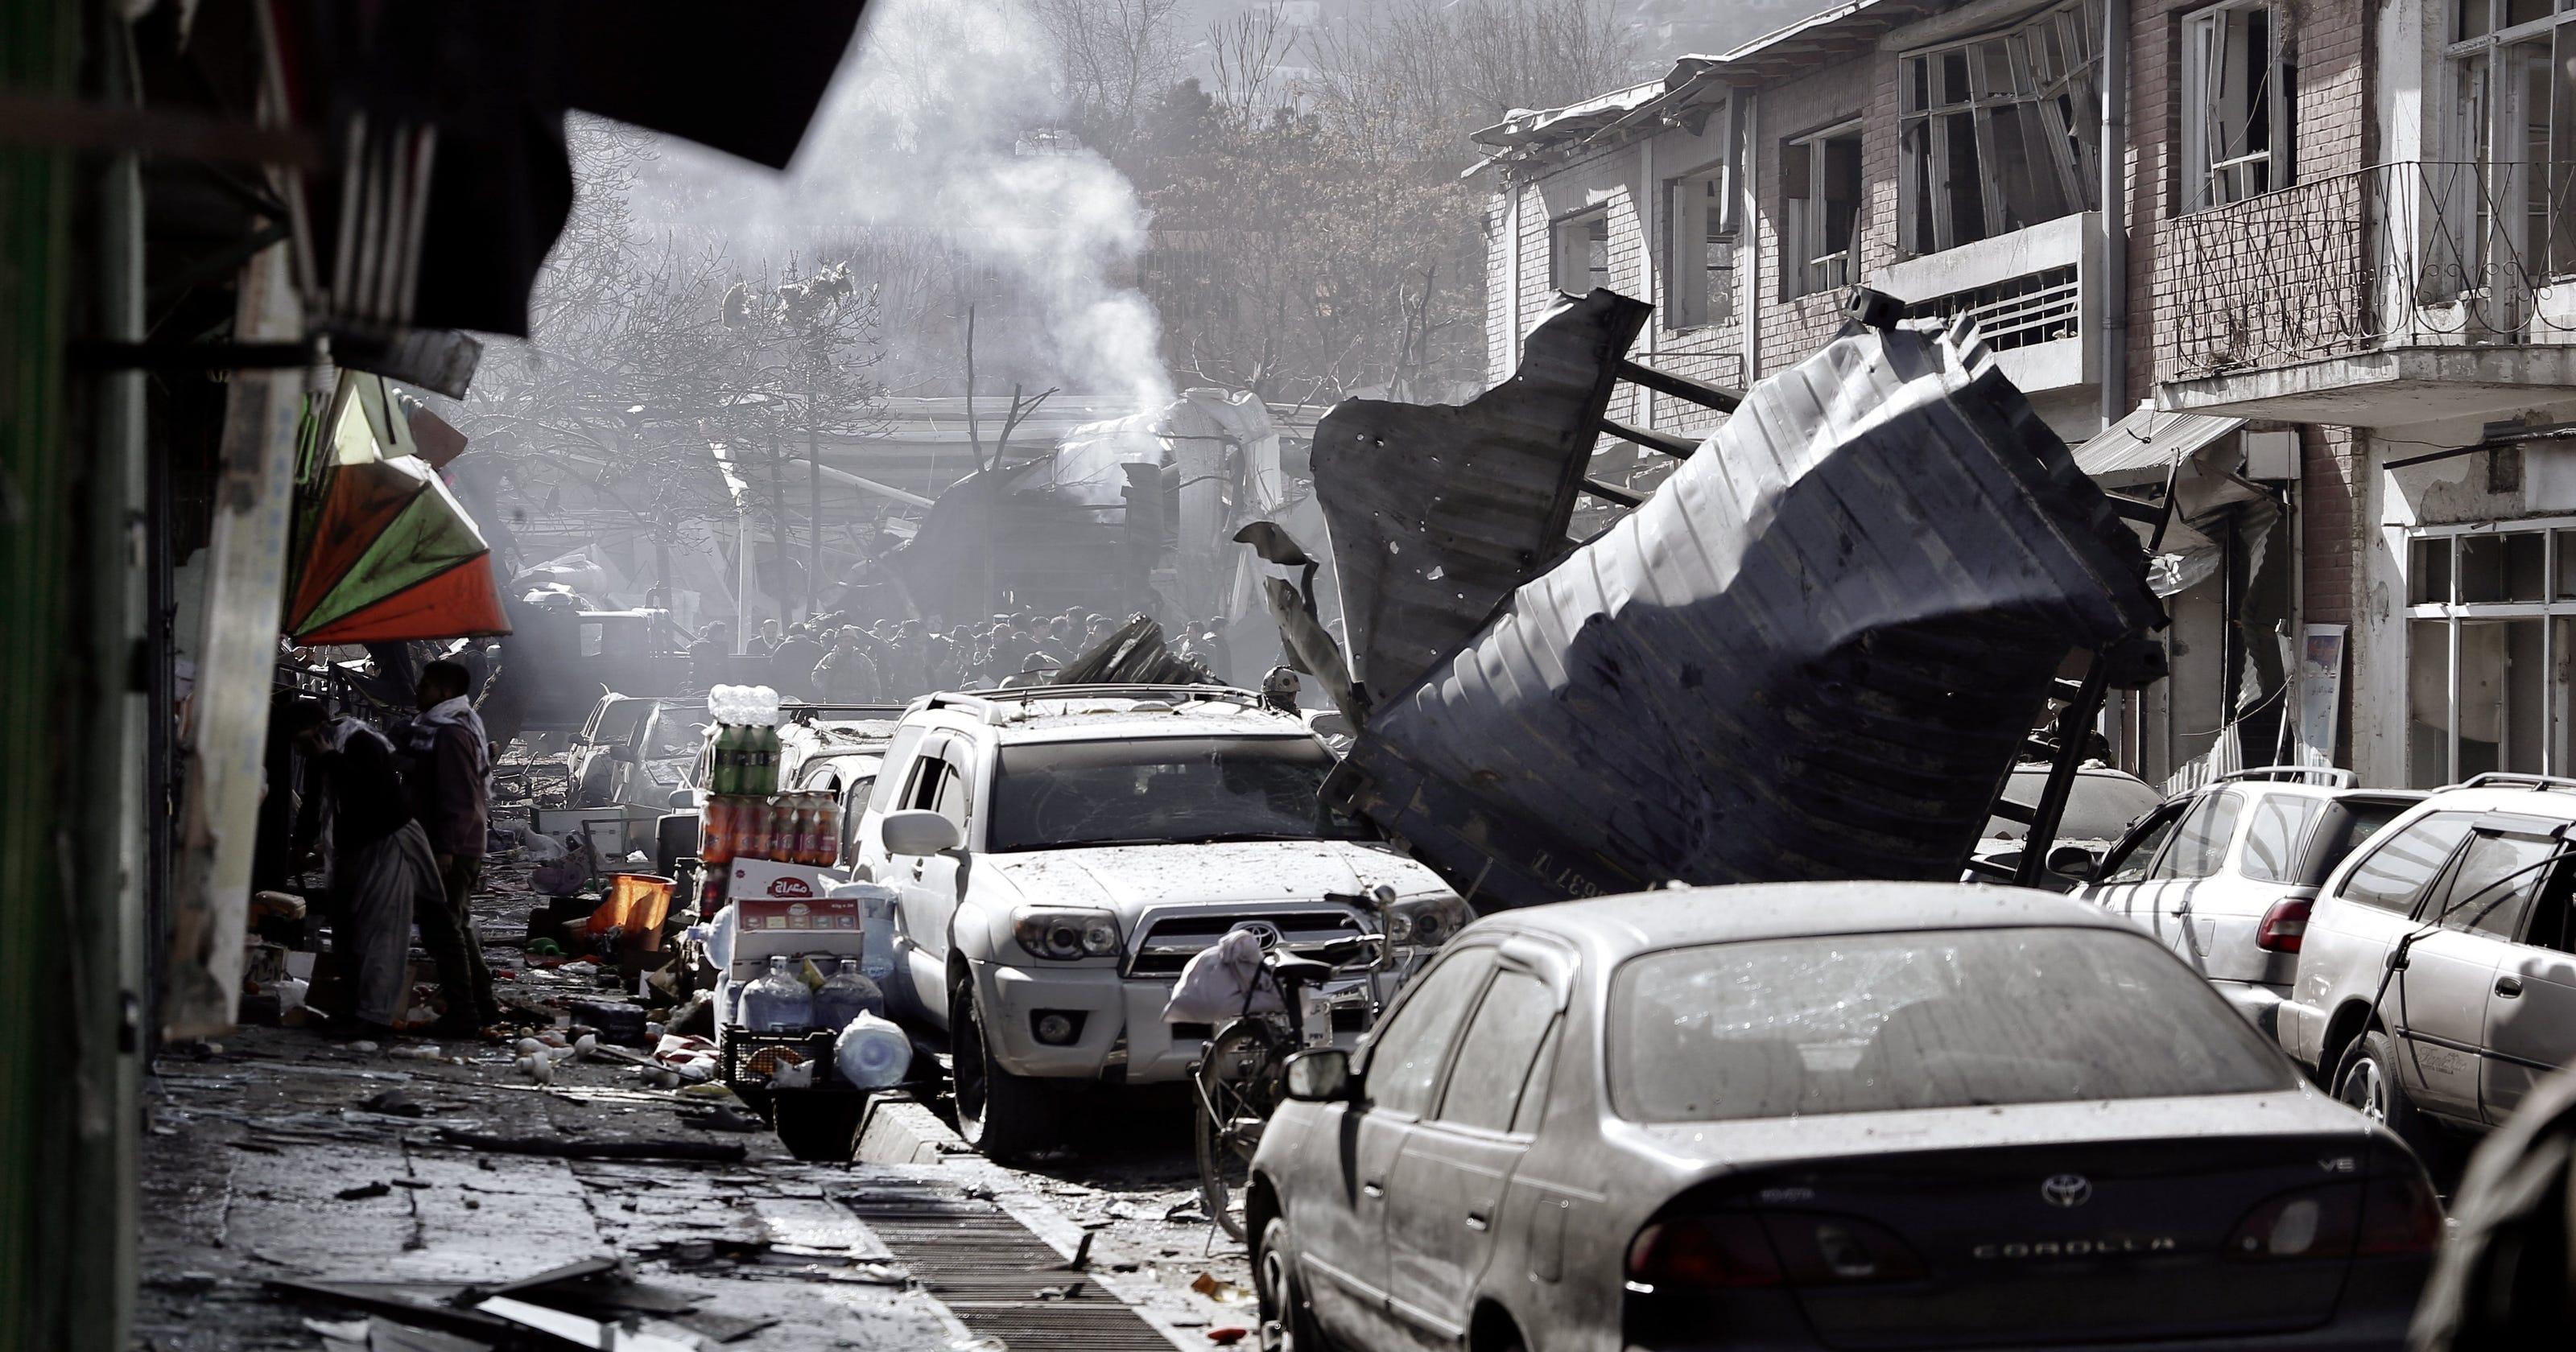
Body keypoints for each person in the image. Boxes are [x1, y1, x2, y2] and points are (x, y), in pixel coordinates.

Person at [283, 700, 440, 1040]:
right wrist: (299, 845)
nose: (302, 750)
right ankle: (352, 1007)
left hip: (388, 842)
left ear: (320, 727)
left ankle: (375, 1017)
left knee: (380, 932)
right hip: (354, 850)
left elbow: (374, 794)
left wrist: (331, 760)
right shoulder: (320, 753)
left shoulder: (360, 743)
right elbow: (313, 801)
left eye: (303, 741)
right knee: (348, 931)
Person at [404, 660, 500, 1035]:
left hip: (453, 845)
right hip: (460, 841)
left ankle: (465, 1013)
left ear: (444, 691)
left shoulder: (449, 733)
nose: (418, 690)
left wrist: (444, 848)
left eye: (425, 685)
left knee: (442, 929)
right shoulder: (454, 727)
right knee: (453, 925)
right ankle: (483, 1006)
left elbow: (457, 794)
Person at [814, 628, 881, 703]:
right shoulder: (829, 659)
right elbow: (815, 674)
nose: (844, 644)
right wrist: (825, 690)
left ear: (854, 642)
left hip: (858, 703)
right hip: (835, 703)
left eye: (848, 641)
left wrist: (877, 697)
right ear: (837, 642)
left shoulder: (862, 659)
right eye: (841, 641)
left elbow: (873, 678)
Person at [770, 622, 826, 702]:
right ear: (805, 632)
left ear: (790, 634)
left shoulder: (783, 648)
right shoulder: (816, 647)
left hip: (789, 691)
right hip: (812, 691)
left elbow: (773, 668)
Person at [688, 621, 730, 693]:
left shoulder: (698, 645)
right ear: (717, 634)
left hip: (696, 687)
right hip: (707, 689)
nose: (724, 637)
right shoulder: (713, 648)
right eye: (722, 634)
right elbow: (716, 672)